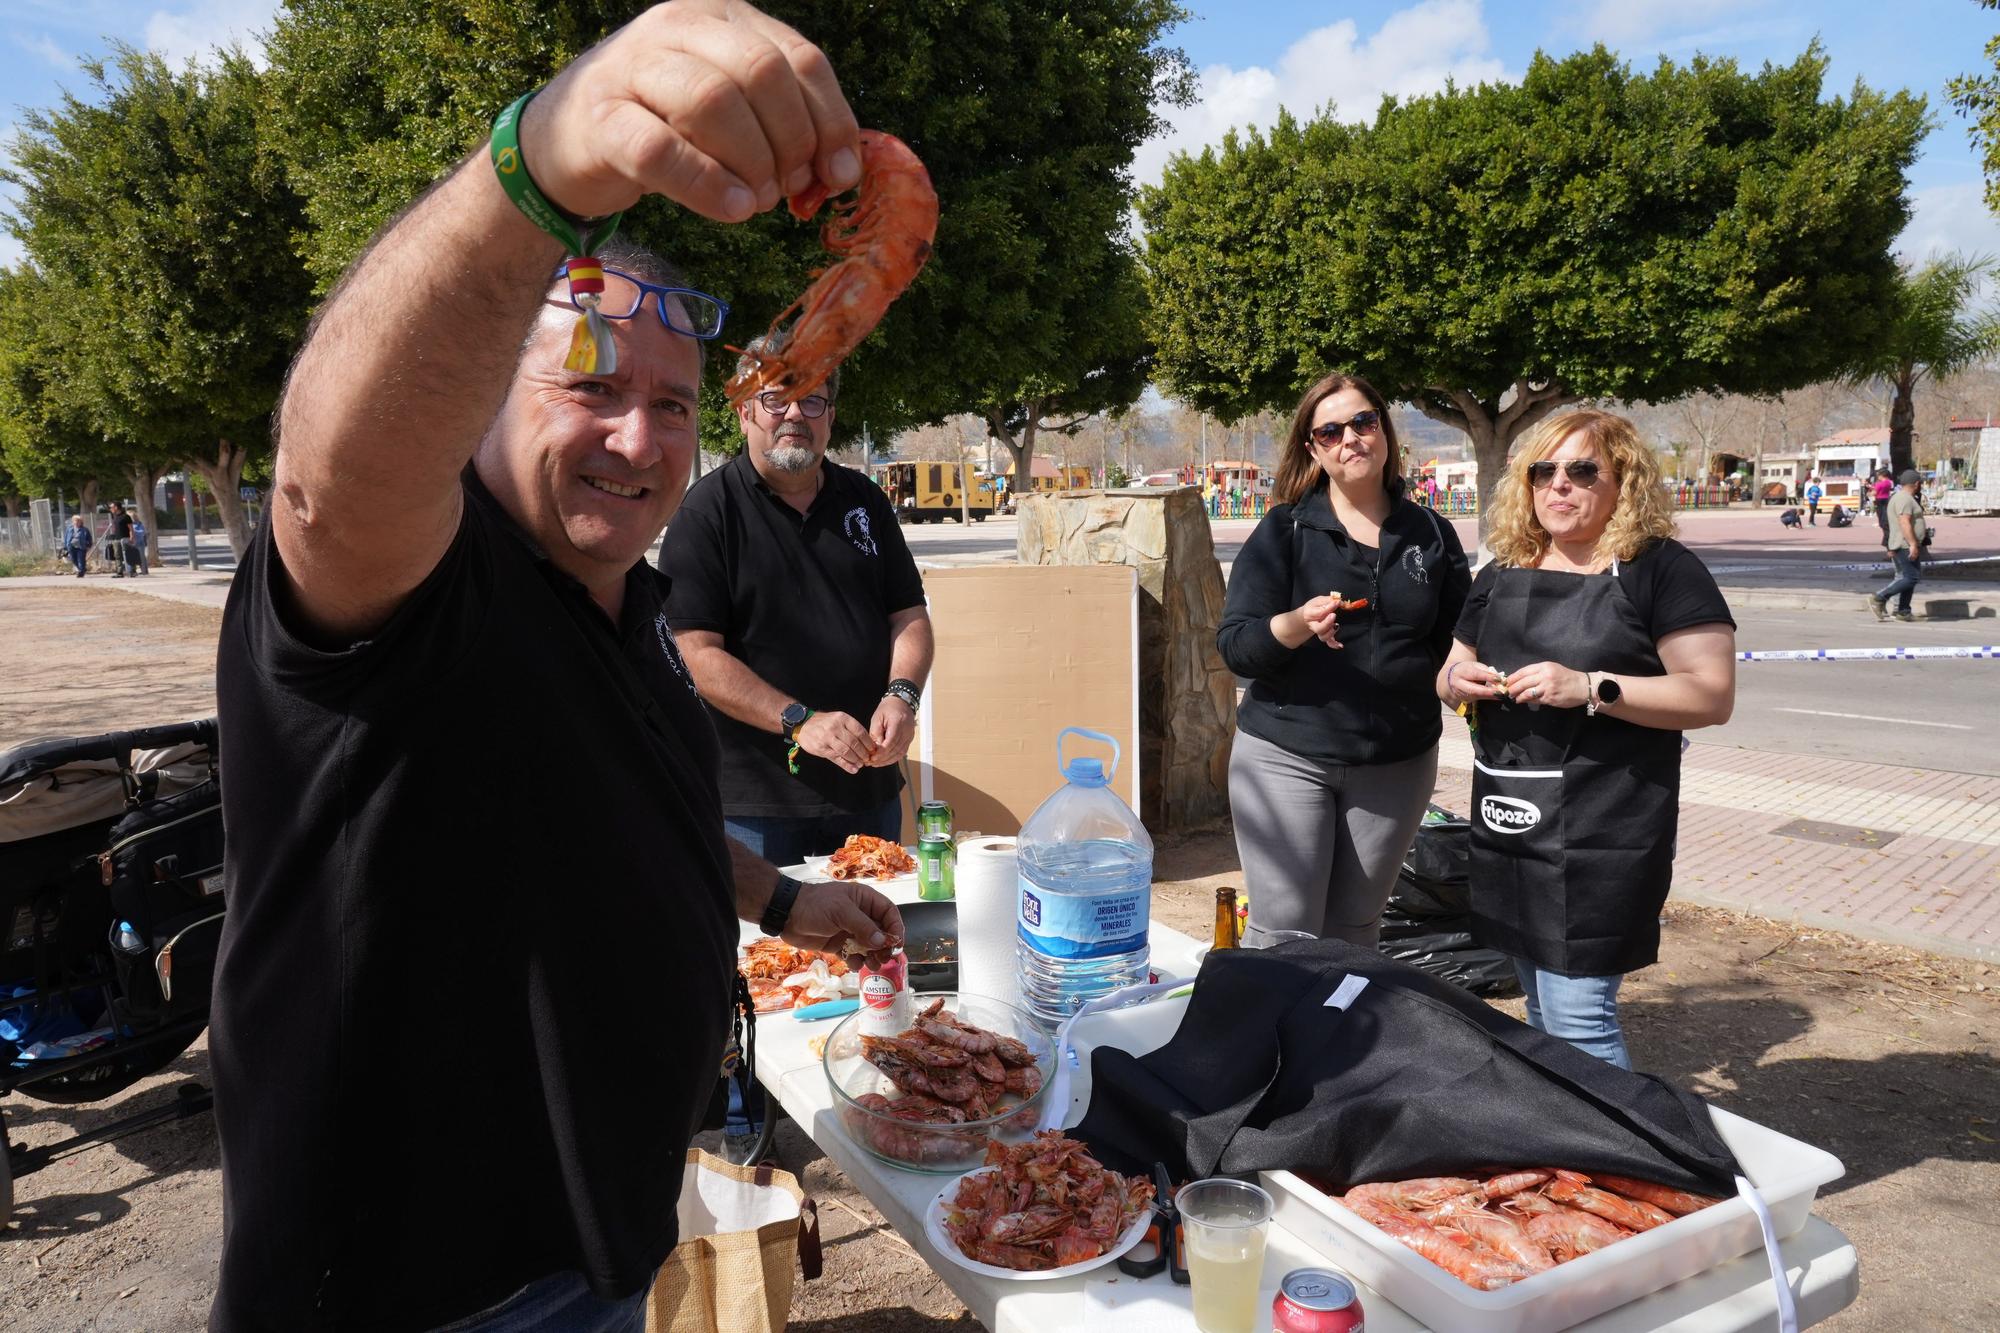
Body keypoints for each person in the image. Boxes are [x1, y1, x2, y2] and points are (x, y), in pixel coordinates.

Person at [209, 8, 903, 1330]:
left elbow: (621, 817)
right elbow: (327, 479)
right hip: (420, 1294)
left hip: (595, 1249)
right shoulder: (416, 585)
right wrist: (542, 163)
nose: (639, 438)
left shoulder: (629, 606)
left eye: (674, 404)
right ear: (485, 400)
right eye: (590, 384)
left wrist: (781, 901)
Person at [1437, 409, 1735, 1070]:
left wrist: (1591, 685)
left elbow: (1711, 693)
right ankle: (1570, 1151)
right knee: (1541, 1009)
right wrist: (1463, 679)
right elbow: (1448, 673)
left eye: (1581, 470)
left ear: (1622, 479)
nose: (1559, 486)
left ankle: (1611, 1159)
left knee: (1579, 1018)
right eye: (1543, 471)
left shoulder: (1660, 570)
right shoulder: (1502, 569)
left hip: (1607, 830)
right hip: (1512, 823)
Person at [1217, 373, 1472, 947]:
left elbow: (1456, 641)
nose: (1350, 439)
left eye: (1362, 421)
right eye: (1329, 432)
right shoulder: (1284, 531)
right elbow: (1236, 647)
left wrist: (1460, 677)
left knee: (1355, 927)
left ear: (1383, 428)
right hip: (1285, 756)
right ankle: (1268, 1039)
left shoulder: (1432, 533)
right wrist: (1293, 625)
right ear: (1313, 449)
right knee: (1285, 930)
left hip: (1396, 762)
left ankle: (1337, 1037)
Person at [659, 337, 932, 868]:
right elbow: (693, 651)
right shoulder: (706, 513)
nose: (794, 414)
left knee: (871, 945)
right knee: (764, 950)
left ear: (830, 415)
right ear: (743, 411)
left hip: (866, 791)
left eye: (812, 400)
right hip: (756, 807)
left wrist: (902, 697)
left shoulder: (866, 501)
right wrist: (798, 721)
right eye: (774, 399)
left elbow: (909, 616)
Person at [1869, 468, 1930, 623]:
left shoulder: (1900, 497)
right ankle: (1879, 597)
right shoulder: (1904, 499)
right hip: (1904, 544)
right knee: (1911, 577)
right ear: (1916, 484)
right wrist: (1913, 544)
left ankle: (1903, 611)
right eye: (1920, 483)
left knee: (1910, 577)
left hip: (1902, 543)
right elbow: (1905, 522)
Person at [103, 500, 134, 577]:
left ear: (116, 507)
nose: (110, 509)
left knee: (128, 555)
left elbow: (130, 528)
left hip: (125, 538)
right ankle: (119, 572)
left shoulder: (126, 517)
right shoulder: (115, 517)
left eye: (111, 507)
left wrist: (132, 537)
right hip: (116, 539)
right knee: (117, 555)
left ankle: (132, 571)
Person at [1872, 467, 1896, 545]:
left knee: (1882, 521)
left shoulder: (1879, 483)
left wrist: (1868, 493)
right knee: (1886, 518)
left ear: (1882, 475)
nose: (1877, 476)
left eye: (1878, 475)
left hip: (1879, 501)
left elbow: (1874, 492)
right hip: (1887, 500)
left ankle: (1887, 540)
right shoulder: (1889, 482)